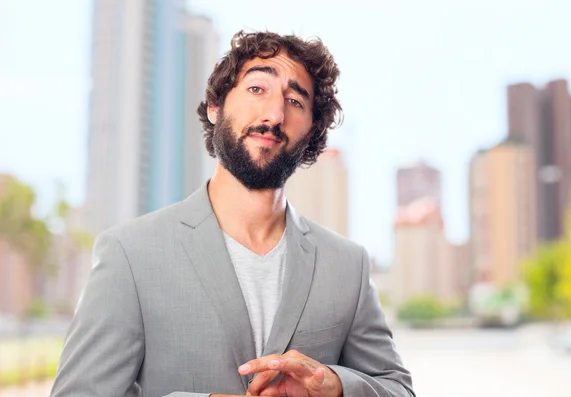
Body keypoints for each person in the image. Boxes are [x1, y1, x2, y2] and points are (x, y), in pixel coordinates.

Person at [51, 30, 415, 397]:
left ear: (310, 135)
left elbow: (397, 388)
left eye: (295, 100)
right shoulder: (129, 253)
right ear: (215, 106)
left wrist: (336, 386)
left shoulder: (348, 265)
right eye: (257, 89)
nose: (274, 114)